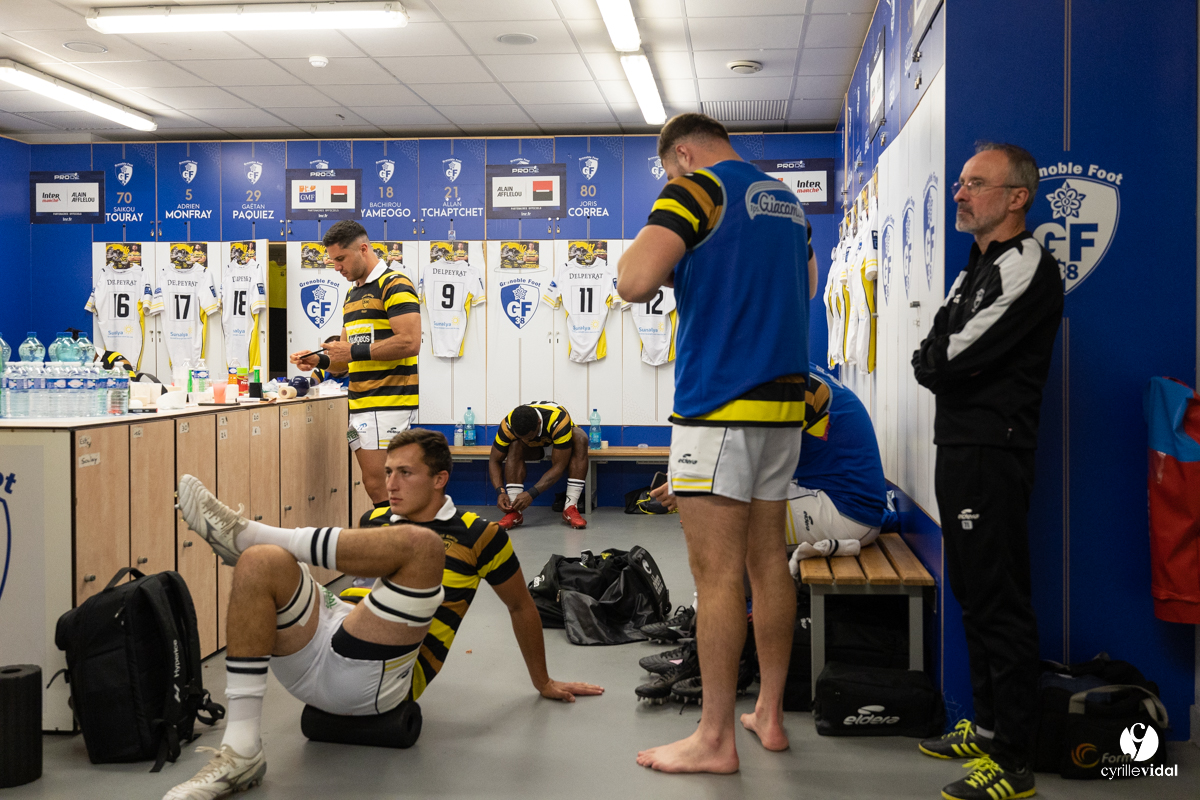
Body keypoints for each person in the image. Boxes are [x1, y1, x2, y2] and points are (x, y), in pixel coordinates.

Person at [164, 429, 602, 800]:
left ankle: (247, 534)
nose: (390, 484)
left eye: (405, 473)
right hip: (319, 647)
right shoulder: (374, 518)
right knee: (261, 561)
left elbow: (520, 605)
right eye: (388, 471)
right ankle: (241, 750)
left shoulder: (479, 534)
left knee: (422, 545)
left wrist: (542, 681)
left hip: (382, 678)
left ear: (439, 479)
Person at [617, 112, 816, 774]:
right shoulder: (787, 203)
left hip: (719, 403)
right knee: (768, 562)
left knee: (717, 574)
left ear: (681, 154)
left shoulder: (695, 187)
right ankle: (769, 717)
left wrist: (662, 231)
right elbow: (806, 287)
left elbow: (633, 281)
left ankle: (714, 739)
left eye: (666, 169)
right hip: (782, 405)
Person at [911, 142, 1062, 800]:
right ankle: (990, 726)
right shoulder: (975, 266)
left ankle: (1014, 762)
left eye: (975, 184)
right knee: (973, 595)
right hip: (960, 448)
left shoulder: (1025, 264)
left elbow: (944, 360)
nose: (960, 194)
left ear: (1017, 197)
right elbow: (934, 347)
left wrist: (942, 360)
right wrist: (941, 358)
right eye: (961, 183)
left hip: (992, 453)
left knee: (1000, 601)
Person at [291, 220, 419, 507]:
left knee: (384, 488)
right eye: (332, 260)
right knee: (375, 486)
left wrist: (351, 351)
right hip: (360, 403)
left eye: (341, 258)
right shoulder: (352, 294)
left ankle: (401, 536)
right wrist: (318, 360)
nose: (336, 267)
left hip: (387, 402)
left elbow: (410, 342)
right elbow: (345, 362)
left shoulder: (395, 284)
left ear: (363, 249)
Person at [785, 364, 890, 572]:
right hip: (843, 500)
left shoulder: (784, 380)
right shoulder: (792, 367)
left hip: (848, 511)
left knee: (730, 523)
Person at [488, 402, 590, 531]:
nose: (526, 439)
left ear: (539, 422)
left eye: (529, 436)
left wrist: (531, 494)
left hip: (559, 447)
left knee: (580, 437)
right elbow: (494, 460)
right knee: (514, 444)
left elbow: (559, 466)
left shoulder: (558, 418)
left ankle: (570, 507)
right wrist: (500, 492)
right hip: (534, 449)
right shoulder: (508, 424)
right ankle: (514, 511)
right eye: (522, 437)